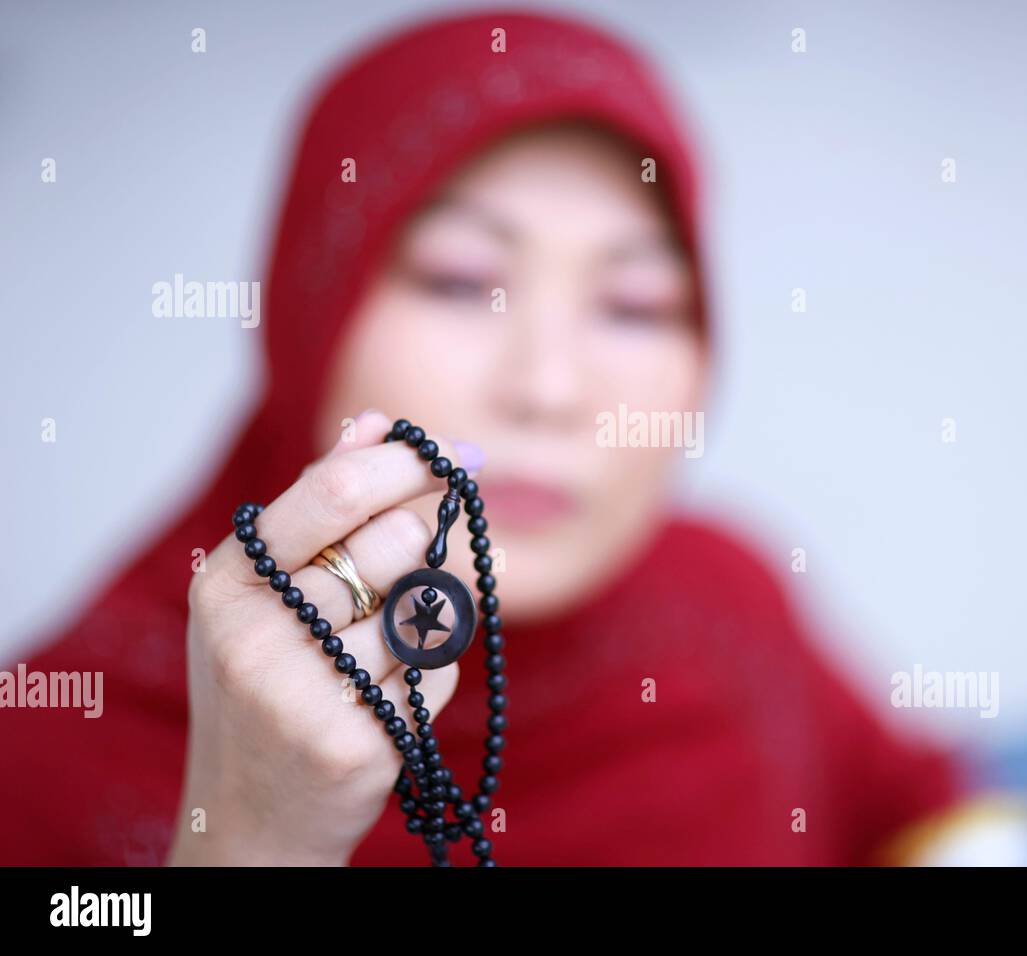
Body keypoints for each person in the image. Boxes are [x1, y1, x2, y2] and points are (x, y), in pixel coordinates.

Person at [0, 11, 968, 866]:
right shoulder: (43, 745)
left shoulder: (729, 602)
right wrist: (250, 842)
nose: (548, 386)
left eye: (634, 303)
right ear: (307, 313)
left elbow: (920, 807)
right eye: (461, 280)